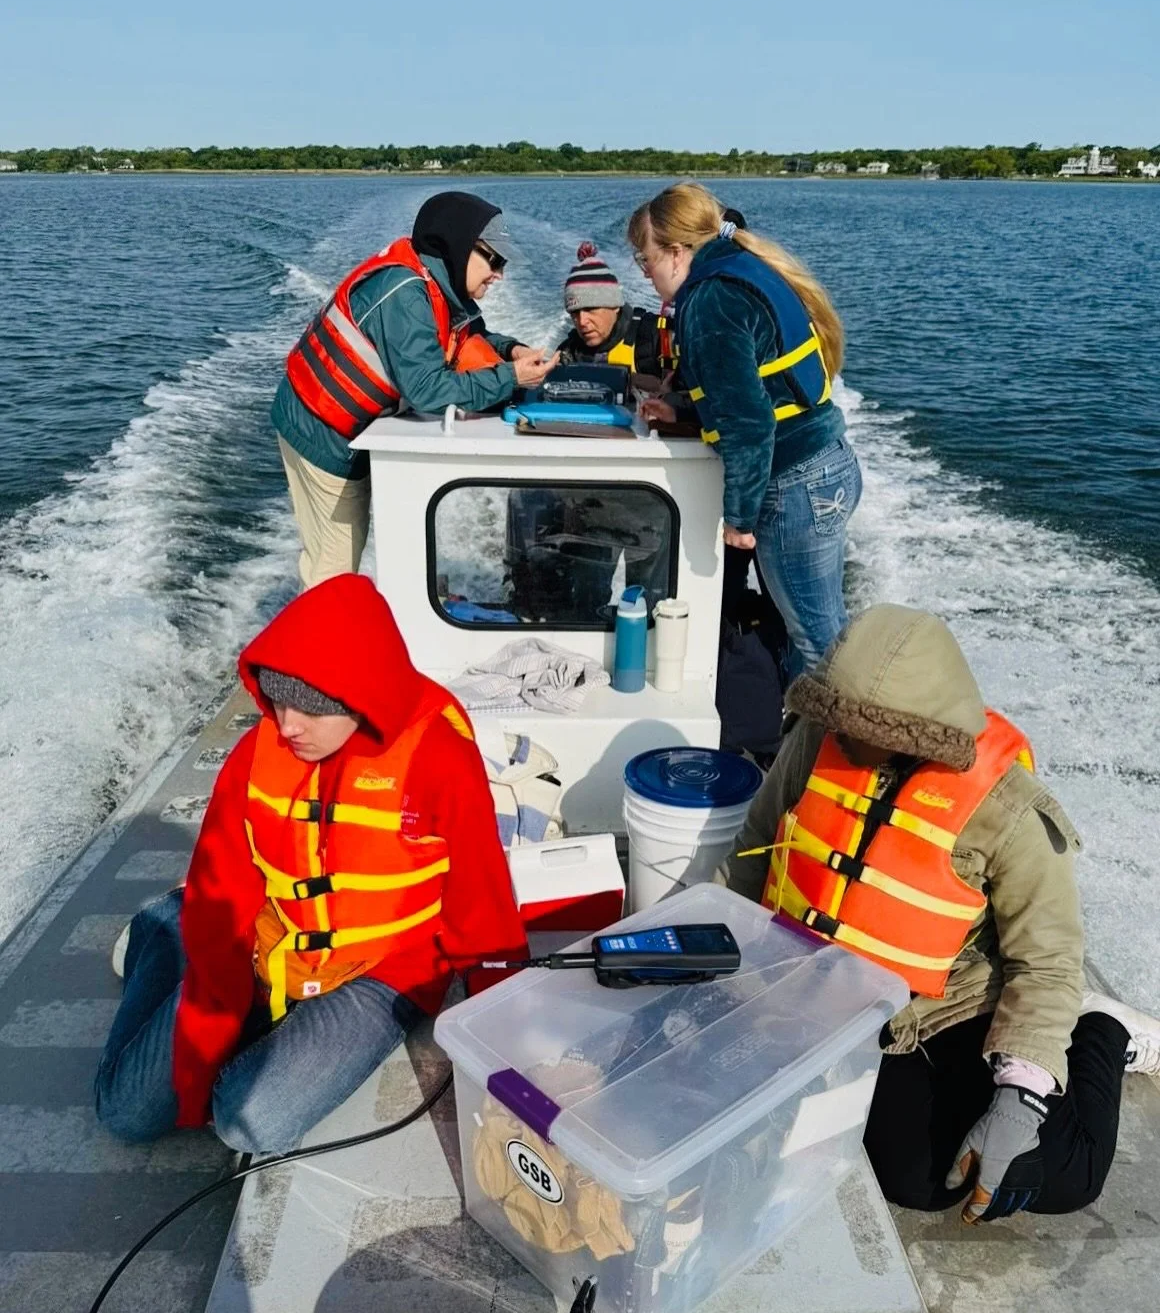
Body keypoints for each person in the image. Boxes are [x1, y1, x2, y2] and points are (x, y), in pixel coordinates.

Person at [717, 603, 1160, 1223]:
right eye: (831, 715)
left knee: (1015, 1175)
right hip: (820, 989)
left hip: (942, 1004)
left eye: (853, 725)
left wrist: (1020, 1098)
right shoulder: (819, 737)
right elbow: (751, 853)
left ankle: (1102, 1033)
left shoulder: (1012, 812)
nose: (836, 735)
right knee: (862, 1159)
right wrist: (709, 970)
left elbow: (1050, 960)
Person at [94, 573, 528, 1154]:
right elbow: (222, 904)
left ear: (361, 698)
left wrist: (505, 1050)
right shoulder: (256, 756)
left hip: (379, 970)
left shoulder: (439, 759)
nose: (287, 724)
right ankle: (166, 925)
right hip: (268, 946)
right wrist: (203, 1043)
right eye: (276, 698)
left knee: (249, 1122)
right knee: (125, 1114)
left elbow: (484, 910)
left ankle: (163, 921)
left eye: (309, 709)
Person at [628, 183, 860, 678]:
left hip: (795, 484)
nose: (645, 274)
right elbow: (750, 385)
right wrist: (681, 409)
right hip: (826, 467)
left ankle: (848, 752)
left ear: (675, 252)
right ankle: (809, 740)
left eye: (645, 260)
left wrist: (740, 519)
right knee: (826, 634)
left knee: (821, 649)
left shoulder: (711, 299)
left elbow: (751, 424)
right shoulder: (740, 267)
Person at [272, 192, 560, 588]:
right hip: (320, 428)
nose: (500, 274)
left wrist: (510, 350)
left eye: (503, 262)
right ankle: (312, 644)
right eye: (493, 259)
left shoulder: (439, 285)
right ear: (457, 246)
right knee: (333, 572)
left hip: (352, 427)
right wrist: (511, 378)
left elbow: (469, 336)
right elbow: (428, 389)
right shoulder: (406, 294)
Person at [553, 242, 679, 395]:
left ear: (615, 305)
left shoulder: (655, 338)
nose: (582, 322)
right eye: (574, 313)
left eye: (591, 309)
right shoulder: (568, 354)